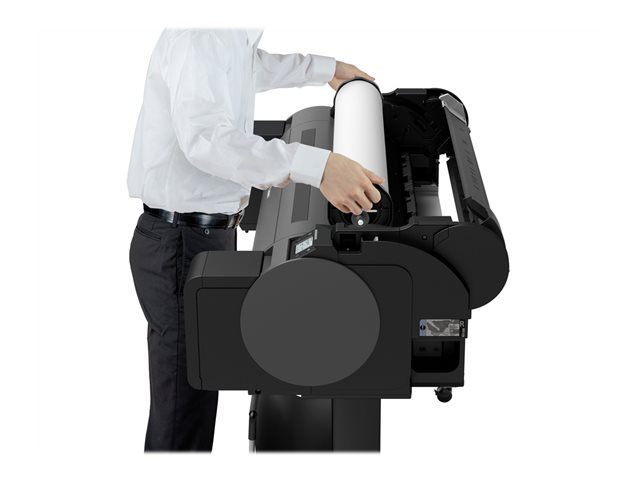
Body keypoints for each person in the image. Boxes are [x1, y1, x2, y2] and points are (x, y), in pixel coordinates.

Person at [127, 28, 383, 452]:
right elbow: (205, 140)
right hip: (180, 241)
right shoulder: (200, 33)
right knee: (182, 414)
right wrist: (317, 166)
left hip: (205, 234)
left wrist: (326, 69)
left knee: (196, 395)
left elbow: (247, 66)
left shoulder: (225, 32)